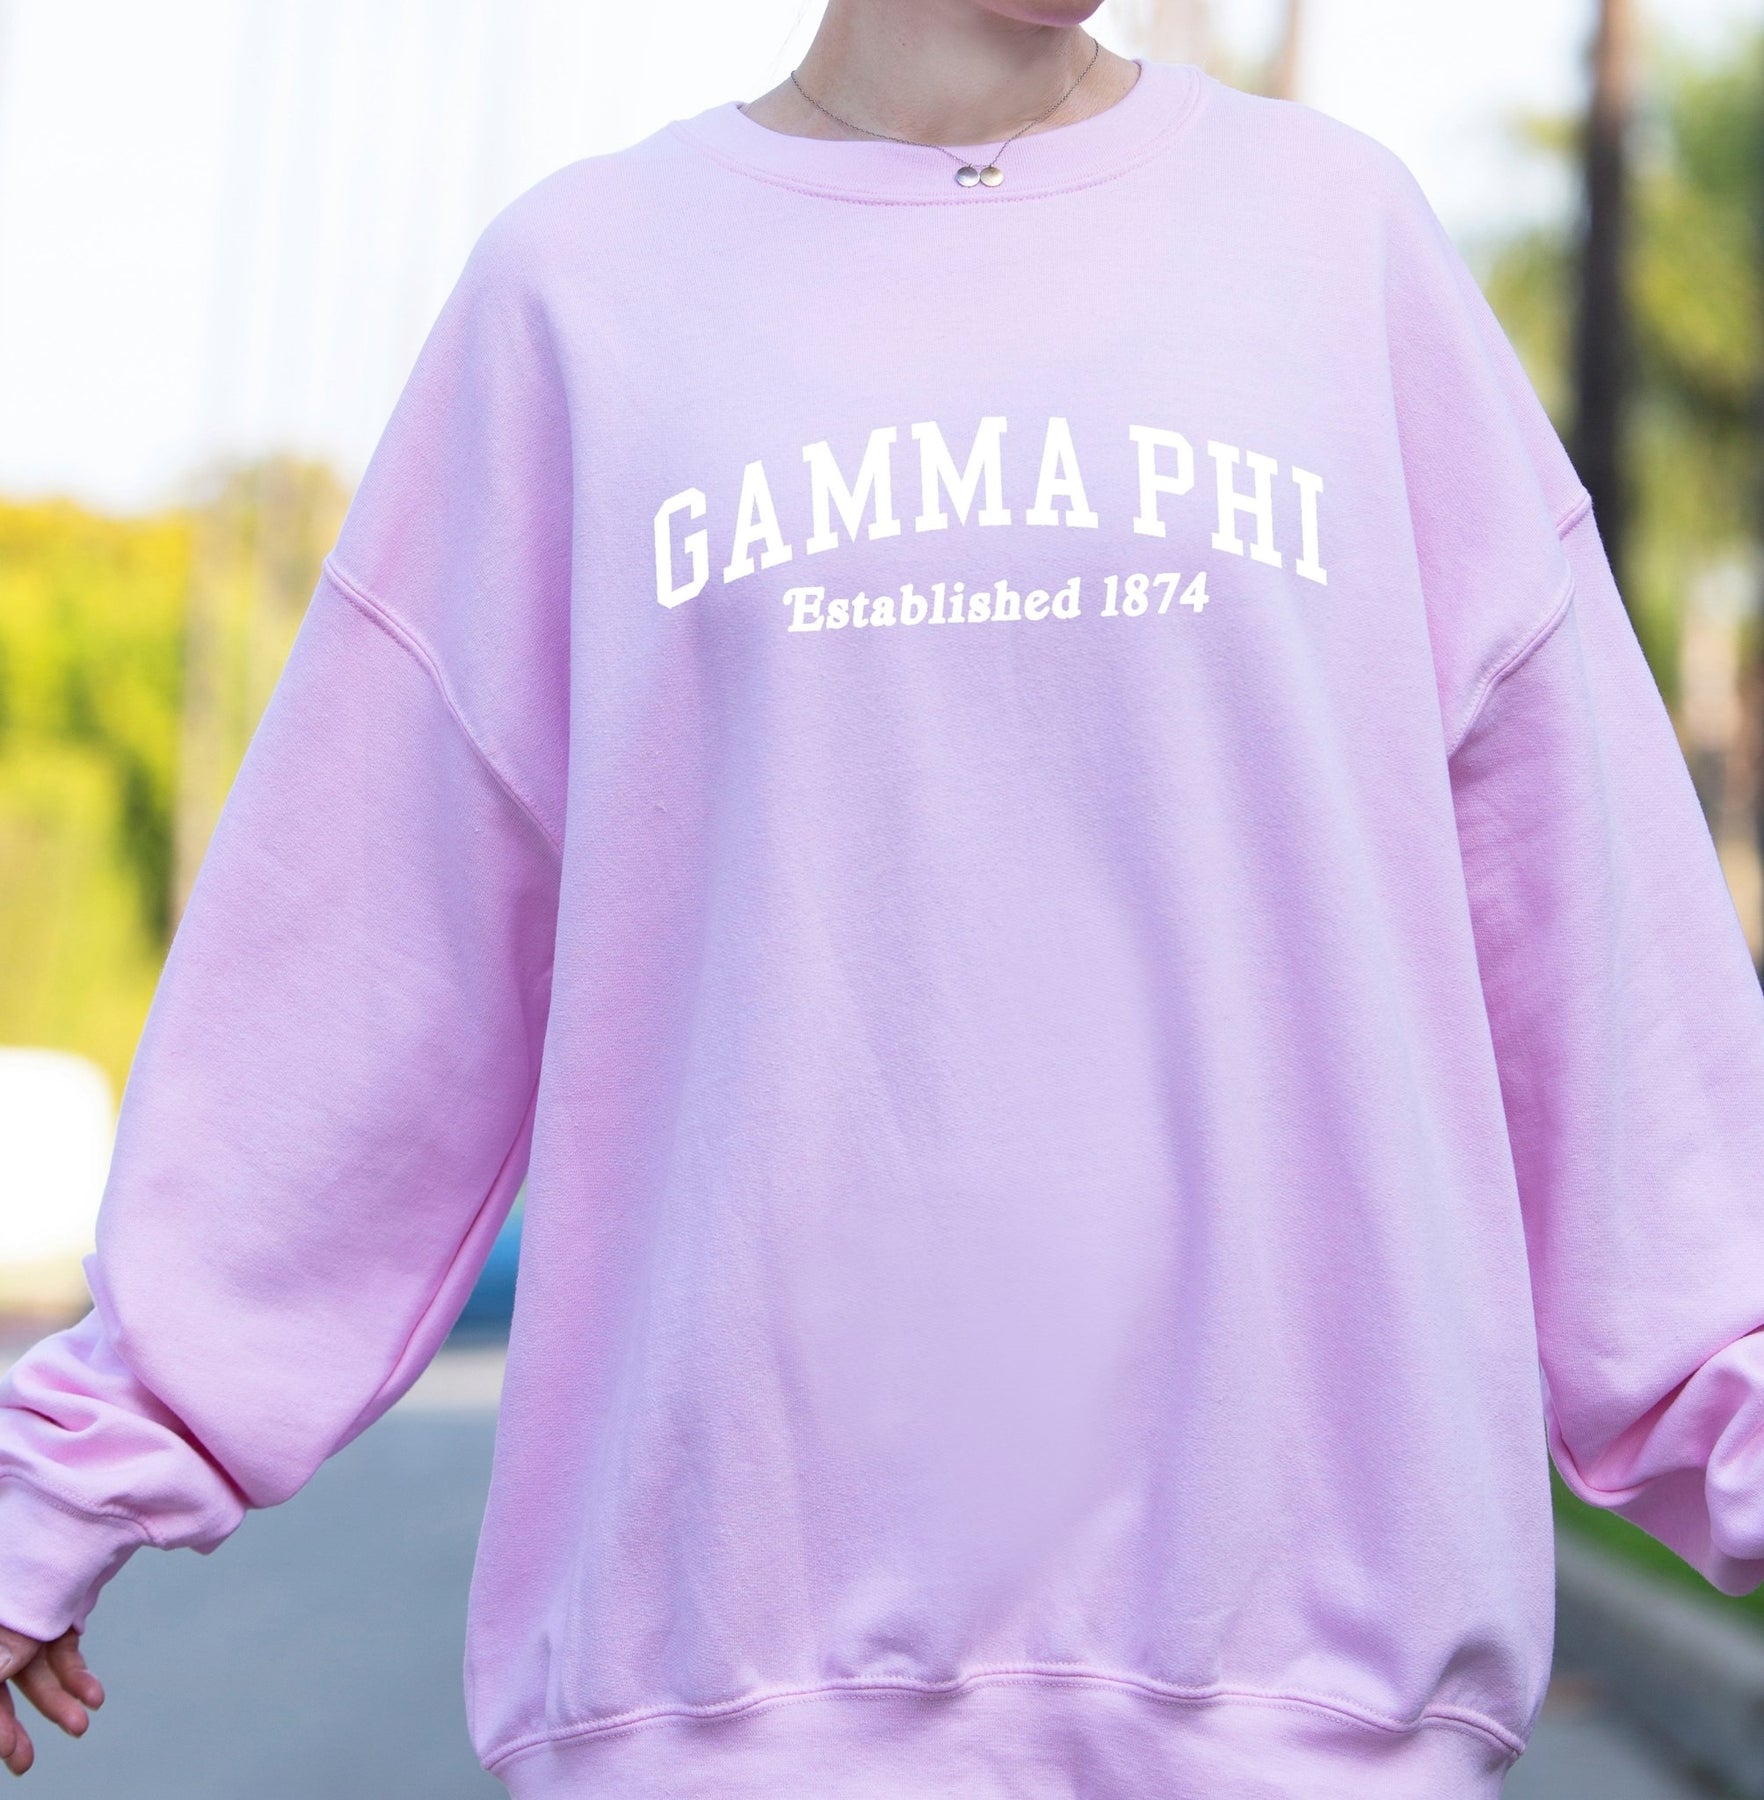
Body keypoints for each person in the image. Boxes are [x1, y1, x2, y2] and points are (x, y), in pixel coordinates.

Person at [5, 0, 1764, 1792]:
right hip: (725, 1710)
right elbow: (370, 960)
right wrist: (72, 1472)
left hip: (1304, 1708)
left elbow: (1592, 934)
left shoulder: (1342, 247)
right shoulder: (580, 293)